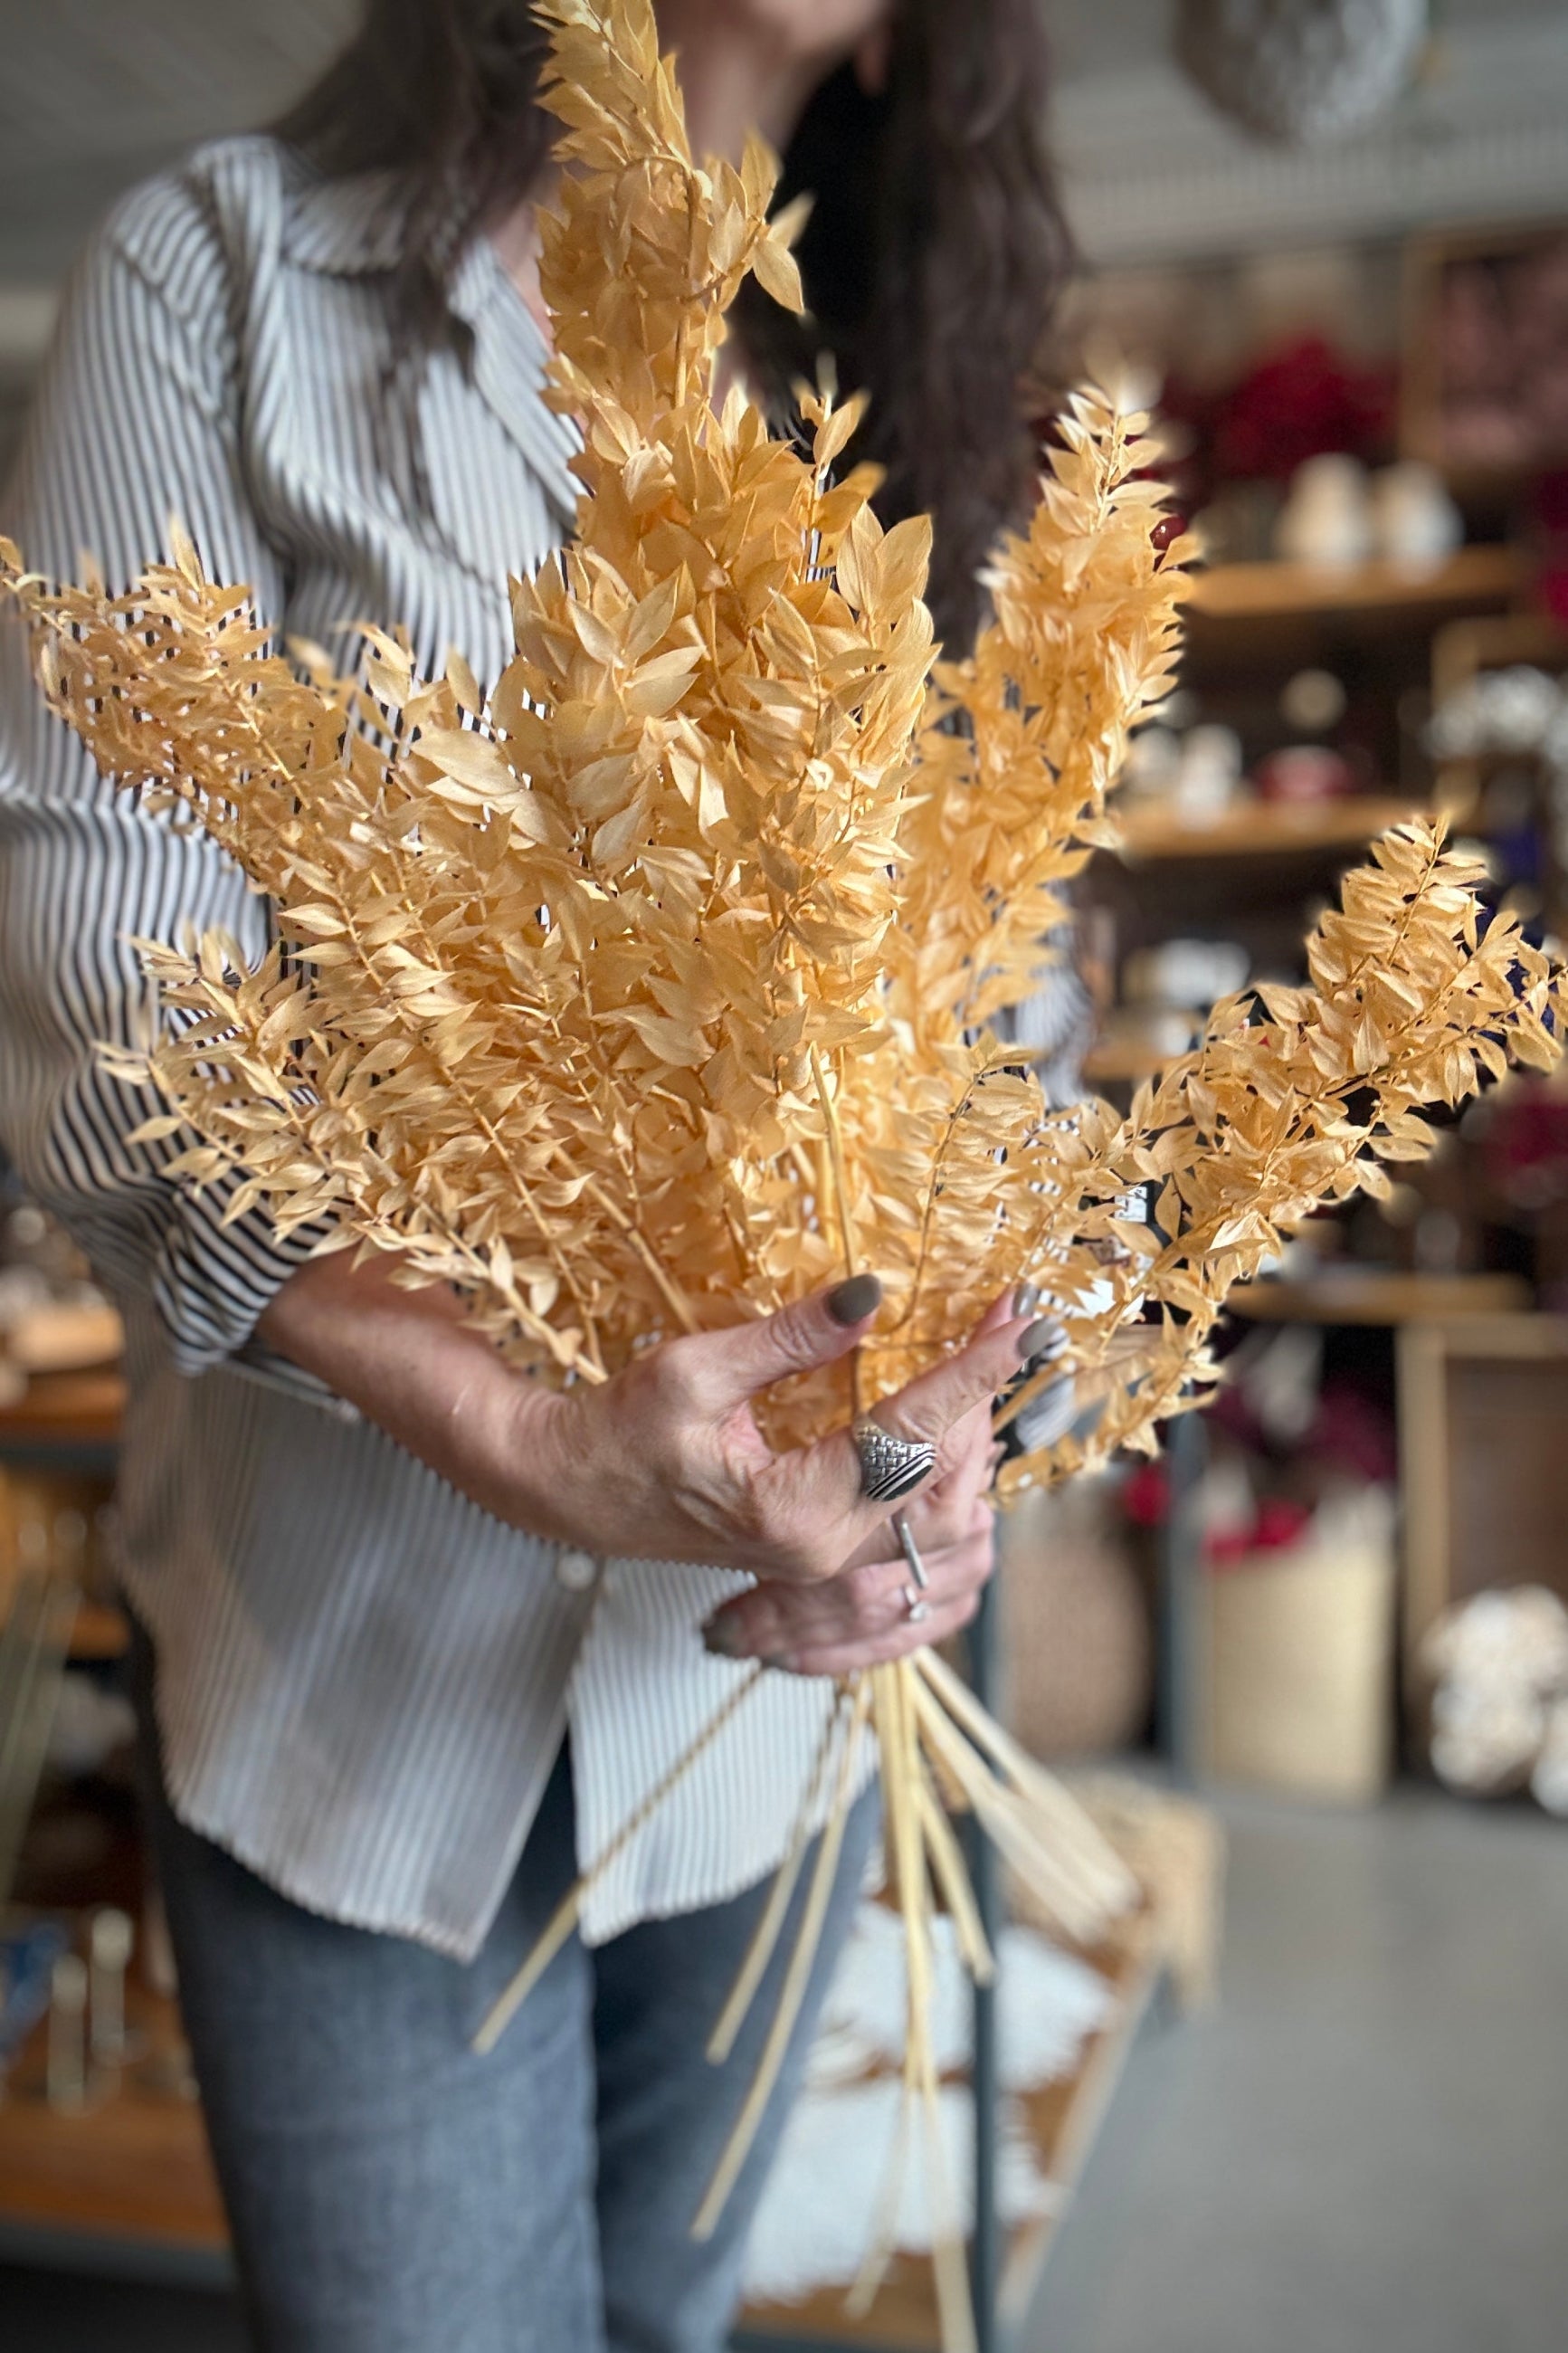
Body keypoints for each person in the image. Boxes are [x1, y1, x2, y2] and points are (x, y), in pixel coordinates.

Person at [0, 4, 1069, 2348]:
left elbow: (1014, 1026)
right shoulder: (228, 285)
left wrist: (971, 1423)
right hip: (357, 1716)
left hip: (765, 1719)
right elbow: (107, 986)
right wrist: (520, 1425)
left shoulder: (885, 401)